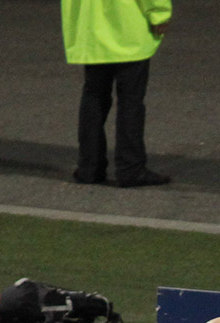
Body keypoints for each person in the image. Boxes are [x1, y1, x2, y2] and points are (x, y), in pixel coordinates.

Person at [61, 0, 172, 188]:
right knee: (131, 101)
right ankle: (131, 168)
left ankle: (90, 167)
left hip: (92, 27)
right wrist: (159, 13)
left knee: (94, 96)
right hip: (127, 24)